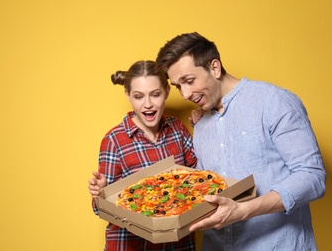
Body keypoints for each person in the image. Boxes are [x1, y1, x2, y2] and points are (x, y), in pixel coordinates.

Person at [155, 32, 326, 250]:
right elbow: (203, 186)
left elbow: (312, 177)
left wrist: (244, 210)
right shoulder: (200, 123)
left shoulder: (274, 102)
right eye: (178, 86)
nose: (185, 94)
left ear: (214, 68)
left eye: (189, 81)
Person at [88, 60, 198, 251]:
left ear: (166, 91)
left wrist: (204, 124)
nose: (148, 105)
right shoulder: (114, 140)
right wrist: (102, 192)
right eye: (138, 96)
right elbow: (100, 209)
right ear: (128, 95)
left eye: (155, 95)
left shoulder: (178, 129)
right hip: (132, 245)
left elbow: (201, 179)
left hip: (177, 244)